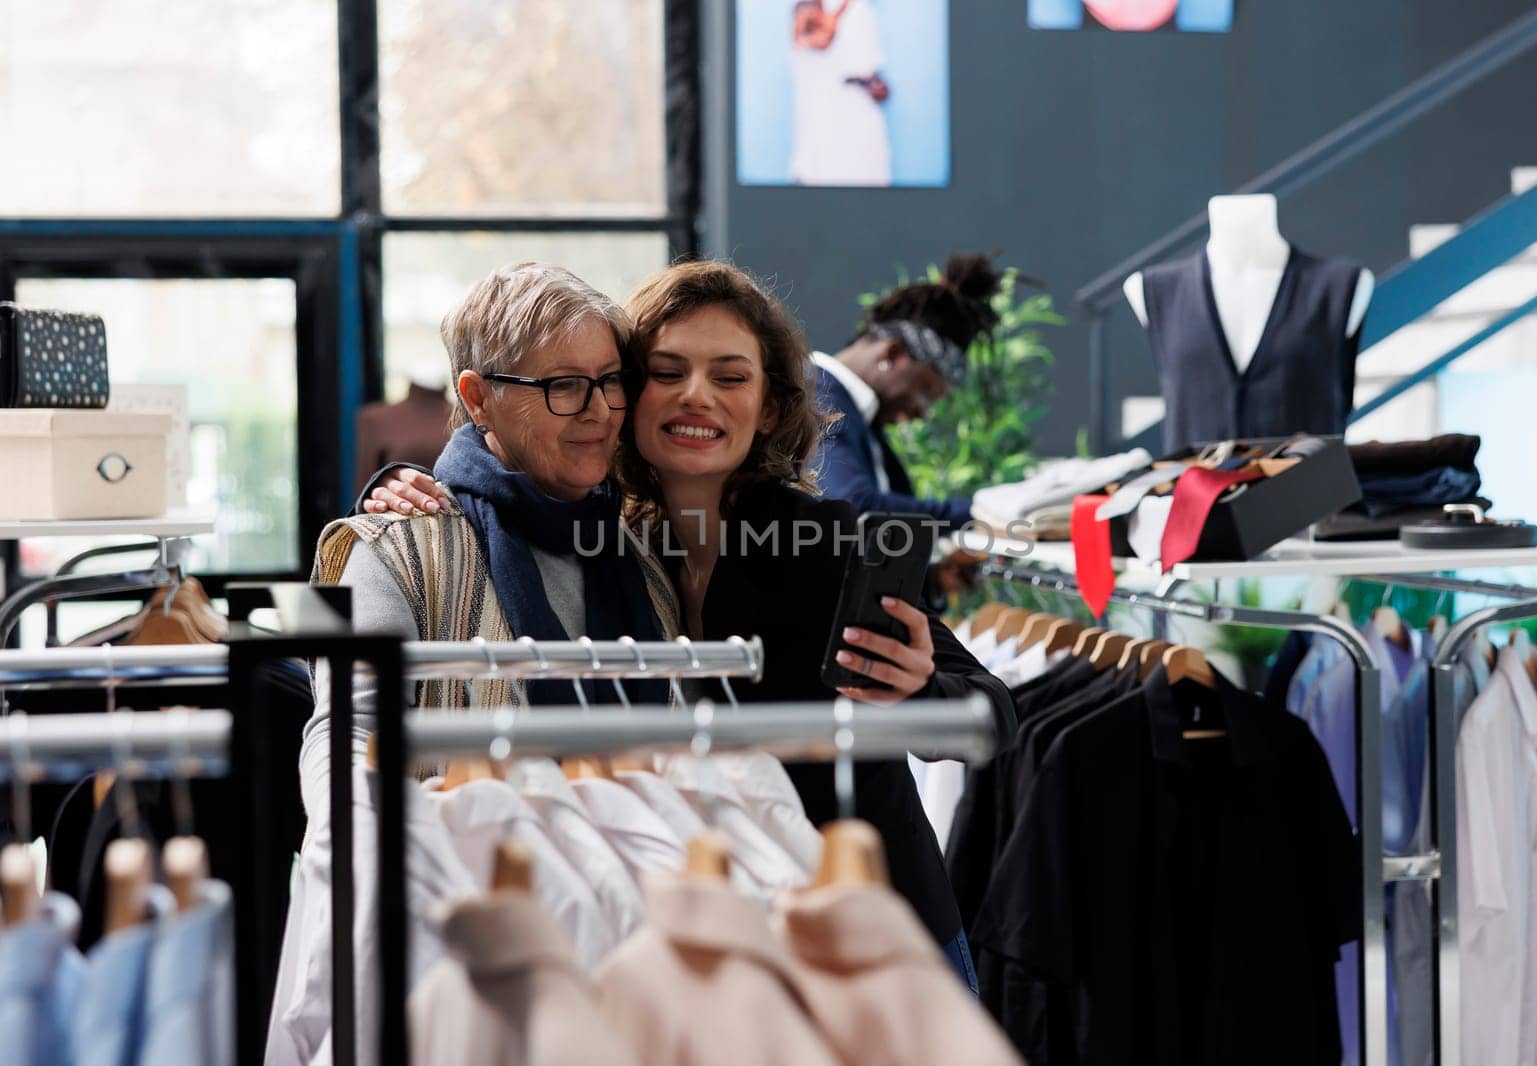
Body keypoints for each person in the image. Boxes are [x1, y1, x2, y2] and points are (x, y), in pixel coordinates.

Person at [359, 260, 1015, 990]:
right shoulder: (615, 546)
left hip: (875, 936)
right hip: (707, 947)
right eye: (667, 372)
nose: (696, 396)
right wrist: (399, 490)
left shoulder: (827, 545)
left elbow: (993, 713)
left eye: (731, 377)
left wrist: (917, 692)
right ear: (631, 396)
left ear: (767, 407)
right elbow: (497, 490)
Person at [300, 262, 673, 828]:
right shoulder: (385, 552)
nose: (598, 410)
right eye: (564, 385)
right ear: (478, 399)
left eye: (610, 380)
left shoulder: (642, 566)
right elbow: (346, 737)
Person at [809, 251, 1004, 534]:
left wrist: (935, 578)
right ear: (893, 352)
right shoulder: (815, 395)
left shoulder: (854, 414)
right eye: (925, 391)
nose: (922, 412)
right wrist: (981, 513)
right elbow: (852, 509)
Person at [789, 0, 892, 186]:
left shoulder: (864, 11)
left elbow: (871, 71)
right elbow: (819, 38)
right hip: (826, 122)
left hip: (863, 123)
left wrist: (876, 86)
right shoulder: (808, 6)